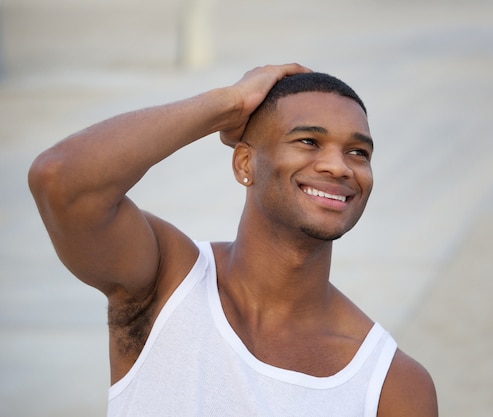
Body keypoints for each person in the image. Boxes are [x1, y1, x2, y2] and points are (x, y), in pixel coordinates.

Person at [28, 63, 437, 416]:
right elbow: (60, 179)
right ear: (245, 163)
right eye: (308, 141)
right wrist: (229, 104)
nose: (338, 166)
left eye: (358, 152)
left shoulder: (391, 385)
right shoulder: (166, 285)